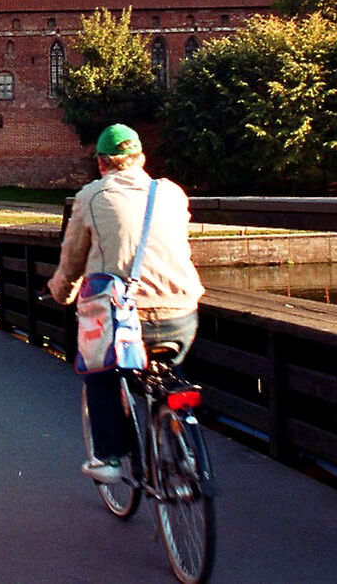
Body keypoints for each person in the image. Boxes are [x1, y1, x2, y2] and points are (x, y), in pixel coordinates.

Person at [47, 123, 204, 484]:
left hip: (125, 317)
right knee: (171, 375)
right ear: (141, 158)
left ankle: (110, 459)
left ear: (101, 163)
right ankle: (187, 449)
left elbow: (72, 260)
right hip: (182, 310)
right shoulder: (172, 193)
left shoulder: (91, 196)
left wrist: (61, 291)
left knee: (99, 373)